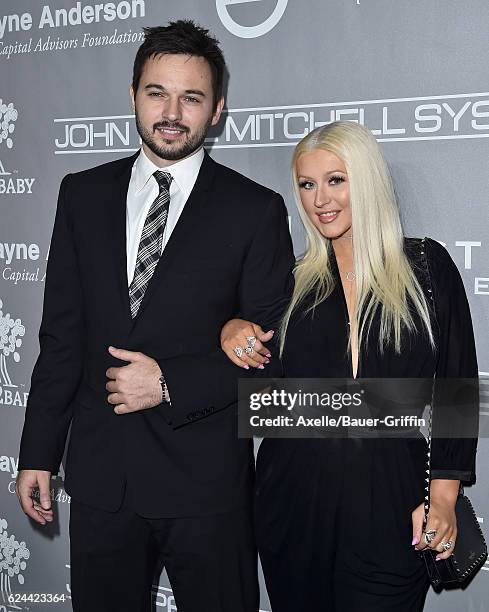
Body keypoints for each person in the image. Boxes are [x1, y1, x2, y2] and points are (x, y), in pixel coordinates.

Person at [16, 20, 295, 612]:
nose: (172, 112)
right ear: (133, 96)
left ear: (216, 109)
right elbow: (61, 337)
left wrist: (167, 384)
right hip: (102, 482)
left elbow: (271, 358)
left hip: (205, 488)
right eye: (157, 93)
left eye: (191, 97)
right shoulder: (81, 195)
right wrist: (38, 452)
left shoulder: (255, 211)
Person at [221, 121, 479, 611]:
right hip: (293, 508)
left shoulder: (426, 268)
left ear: (367, 180)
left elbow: (456, 391)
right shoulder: (290, 282)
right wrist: (230, 330)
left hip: (392, 506)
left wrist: (442, 497)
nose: (321, 199)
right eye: (307, 184)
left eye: (336, 180)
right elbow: (259, 387)